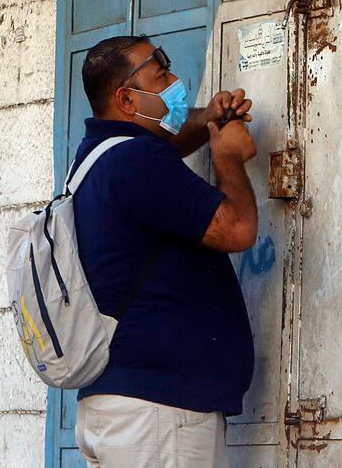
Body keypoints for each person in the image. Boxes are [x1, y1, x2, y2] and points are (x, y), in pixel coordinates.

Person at [71, 35, 258, 468]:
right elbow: (239, 230)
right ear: (126, 99)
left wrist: (208, 117)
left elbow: (165, 144)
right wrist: (228, 160)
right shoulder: (136, 163)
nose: (176, 81)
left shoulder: (97, 158)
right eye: (161, 76)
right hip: (158, 413)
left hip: (122, 410)